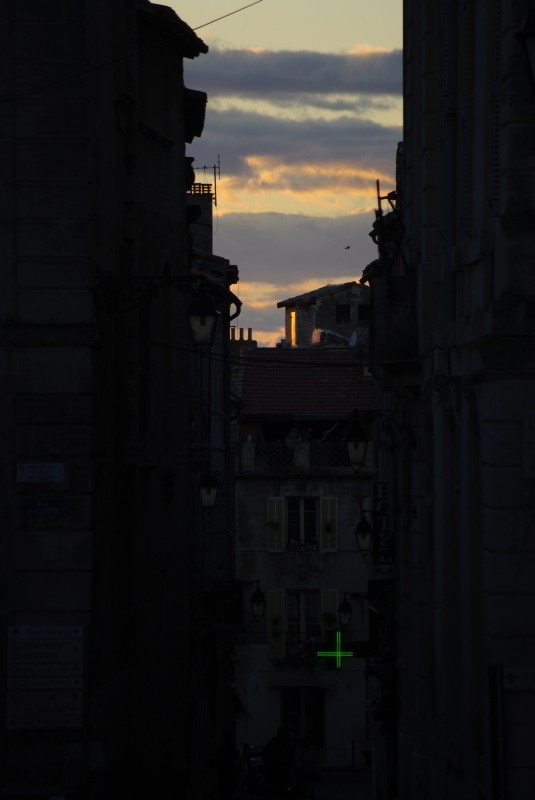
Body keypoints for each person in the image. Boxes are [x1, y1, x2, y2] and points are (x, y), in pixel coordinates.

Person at [263, 726, 294, 797]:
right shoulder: (286, 743)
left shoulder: (281, 742)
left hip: (279, 770)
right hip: (278, 770)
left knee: (277, 789)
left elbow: (265, 753)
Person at [211, 732, 238, 800]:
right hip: (228, 781)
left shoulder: (224, 751)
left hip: (224, 780)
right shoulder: (231, 751)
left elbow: (214, 763)